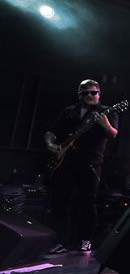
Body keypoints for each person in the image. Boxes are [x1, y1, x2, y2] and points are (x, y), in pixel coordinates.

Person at [44, 79, 119, 253]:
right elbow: (51, 131)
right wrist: (50, 144)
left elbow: (113, 134)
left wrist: (106, 125)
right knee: (60, 201)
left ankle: (85, 240)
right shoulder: (69, 111)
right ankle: (60, 241)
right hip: (66, 162)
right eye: (85, 93)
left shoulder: (106, 112)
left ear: (99, 94)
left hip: (91, 163)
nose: (89, 96)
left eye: (93, 92)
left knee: (87, 203)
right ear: (79, 94)